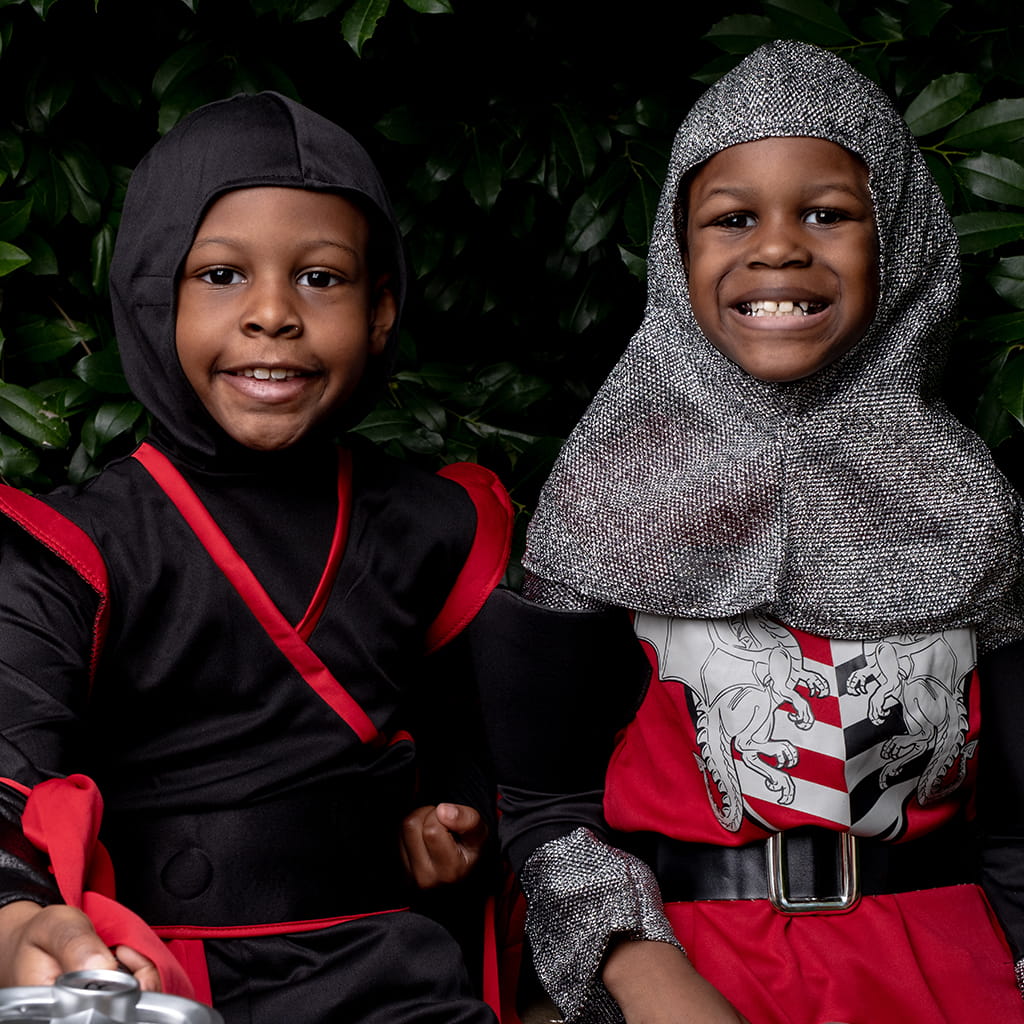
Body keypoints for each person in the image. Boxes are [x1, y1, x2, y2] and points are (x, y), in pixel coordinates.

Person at [481, 41, 1024, 1024]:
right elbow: (542, 803)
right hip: (686, 973)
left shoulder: (968, 501)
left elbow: (1020, 819)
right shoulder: (608, 487)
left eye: (827, 213)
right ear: (675, 252)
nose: (777, 247)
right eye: (732, 218)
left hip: (944, 976)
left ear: (895, 235)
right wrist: (643, 978)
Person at [0, 92, 511, 1023]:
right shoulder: (73, 550)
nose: (273, 314)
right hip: (158, 980)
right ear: (152, 295)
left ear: (383, 309)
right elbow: (6, 767)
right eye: (222, 275)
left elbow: (490, 749)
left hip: (394, 978)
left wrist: (455, 815)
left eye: (321, 279)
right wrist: (12, 920)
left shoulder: (436, 528)